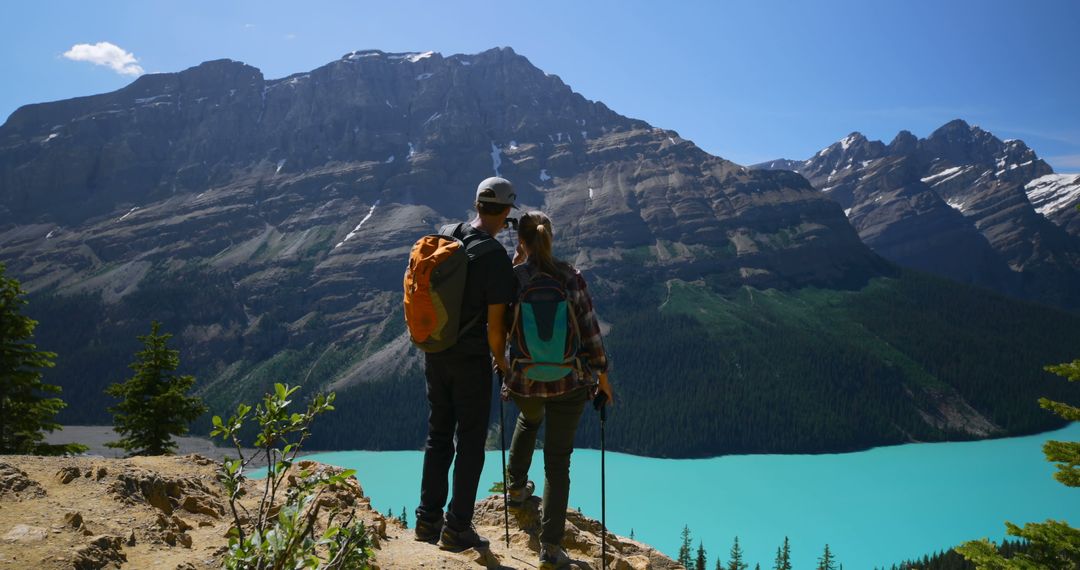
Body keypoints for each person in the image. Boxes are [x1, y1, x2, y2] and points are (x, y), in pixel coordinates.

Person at [502, 210, 615, 569]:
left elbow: (502, 328)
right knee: (557, 465)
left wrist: (504, 368)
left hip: (524, 380)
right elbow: (591, 332)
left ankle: (516, 489)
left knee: (528, 418)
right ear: (550, 237)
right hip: (568, 381)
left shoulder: (513, 278)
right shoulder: (570, 276)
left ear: (521, 240)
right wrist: (603, 381)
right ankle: (550, 549)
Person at [414, 177, 518, 550]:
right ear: (506, 212)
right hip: (470, 360)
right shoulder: (494, 256)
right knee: (471, 443)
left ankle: (427, 520)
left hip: (435, 352)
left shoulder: (446, 233)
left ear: (477, 205)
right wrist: (501, 362)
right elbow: (495, 325)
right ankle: (457, 528)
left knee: (438, 435)